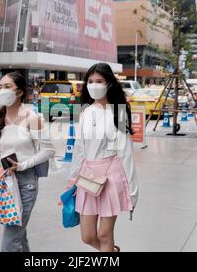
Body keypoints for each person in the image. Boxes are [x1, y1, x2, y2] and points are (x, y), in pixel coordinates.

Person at [60, 63, 139, 252]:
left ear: (109, 84)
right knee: (87, 237)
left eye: (99, 81)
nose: (94, 85)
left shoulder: (118, 112)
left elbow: (125, 152)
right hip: (89, 177)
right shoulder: (86, 111)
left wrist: (133, 192)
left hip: (112, 175)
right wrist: (71, 182)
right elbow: (80, 149)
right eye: (90, 81)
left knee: (104, 234)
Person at [0, 72, 55, 252]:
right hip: (6, 183)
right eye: (0, 87)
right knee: (18, 236)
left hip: (26, 184)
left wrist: (23, 165)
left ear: (19, 92)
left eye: (7, 87)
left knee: (10, 241)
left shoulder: (32, 118)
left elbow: (49, 150)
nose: (2, 90)